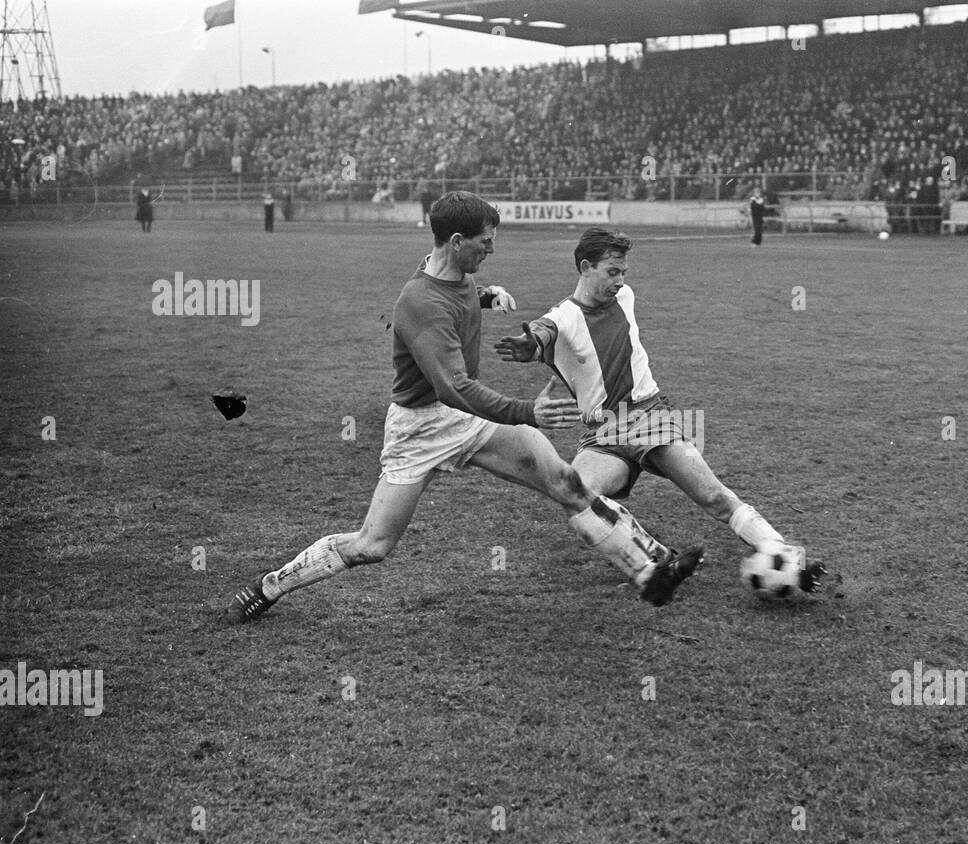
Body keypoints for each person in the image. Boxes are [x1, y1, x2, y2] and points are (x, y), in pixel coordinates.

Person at [227, 194, 702, 624]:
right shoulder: (420, 303)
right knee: (373, 545)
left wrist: (483, 295)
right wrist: (526, 412)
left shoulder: (451, 272)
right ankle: (271, 586)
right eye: (484, 242)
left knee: (565, 482)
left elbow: (453, 303)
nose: (491, 250)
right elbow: (454, 387)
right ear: (456, 242)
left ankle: (651, 569)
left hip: (471, 422)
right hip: (421, 428)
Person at [494, 228, 825, 593]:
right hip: (602, 434)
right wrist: (531, 343)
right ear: (585, 267)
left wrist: (537, 340)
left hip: (650, 416)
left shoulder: (625, 296)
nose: (620, 281)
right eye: (611, 272)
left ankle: (784, 555)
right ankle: (656, 561)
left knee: (713, 496)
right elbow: (545, 329)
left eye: (623, 273)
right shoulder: (565, 316)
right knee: (579, 498)